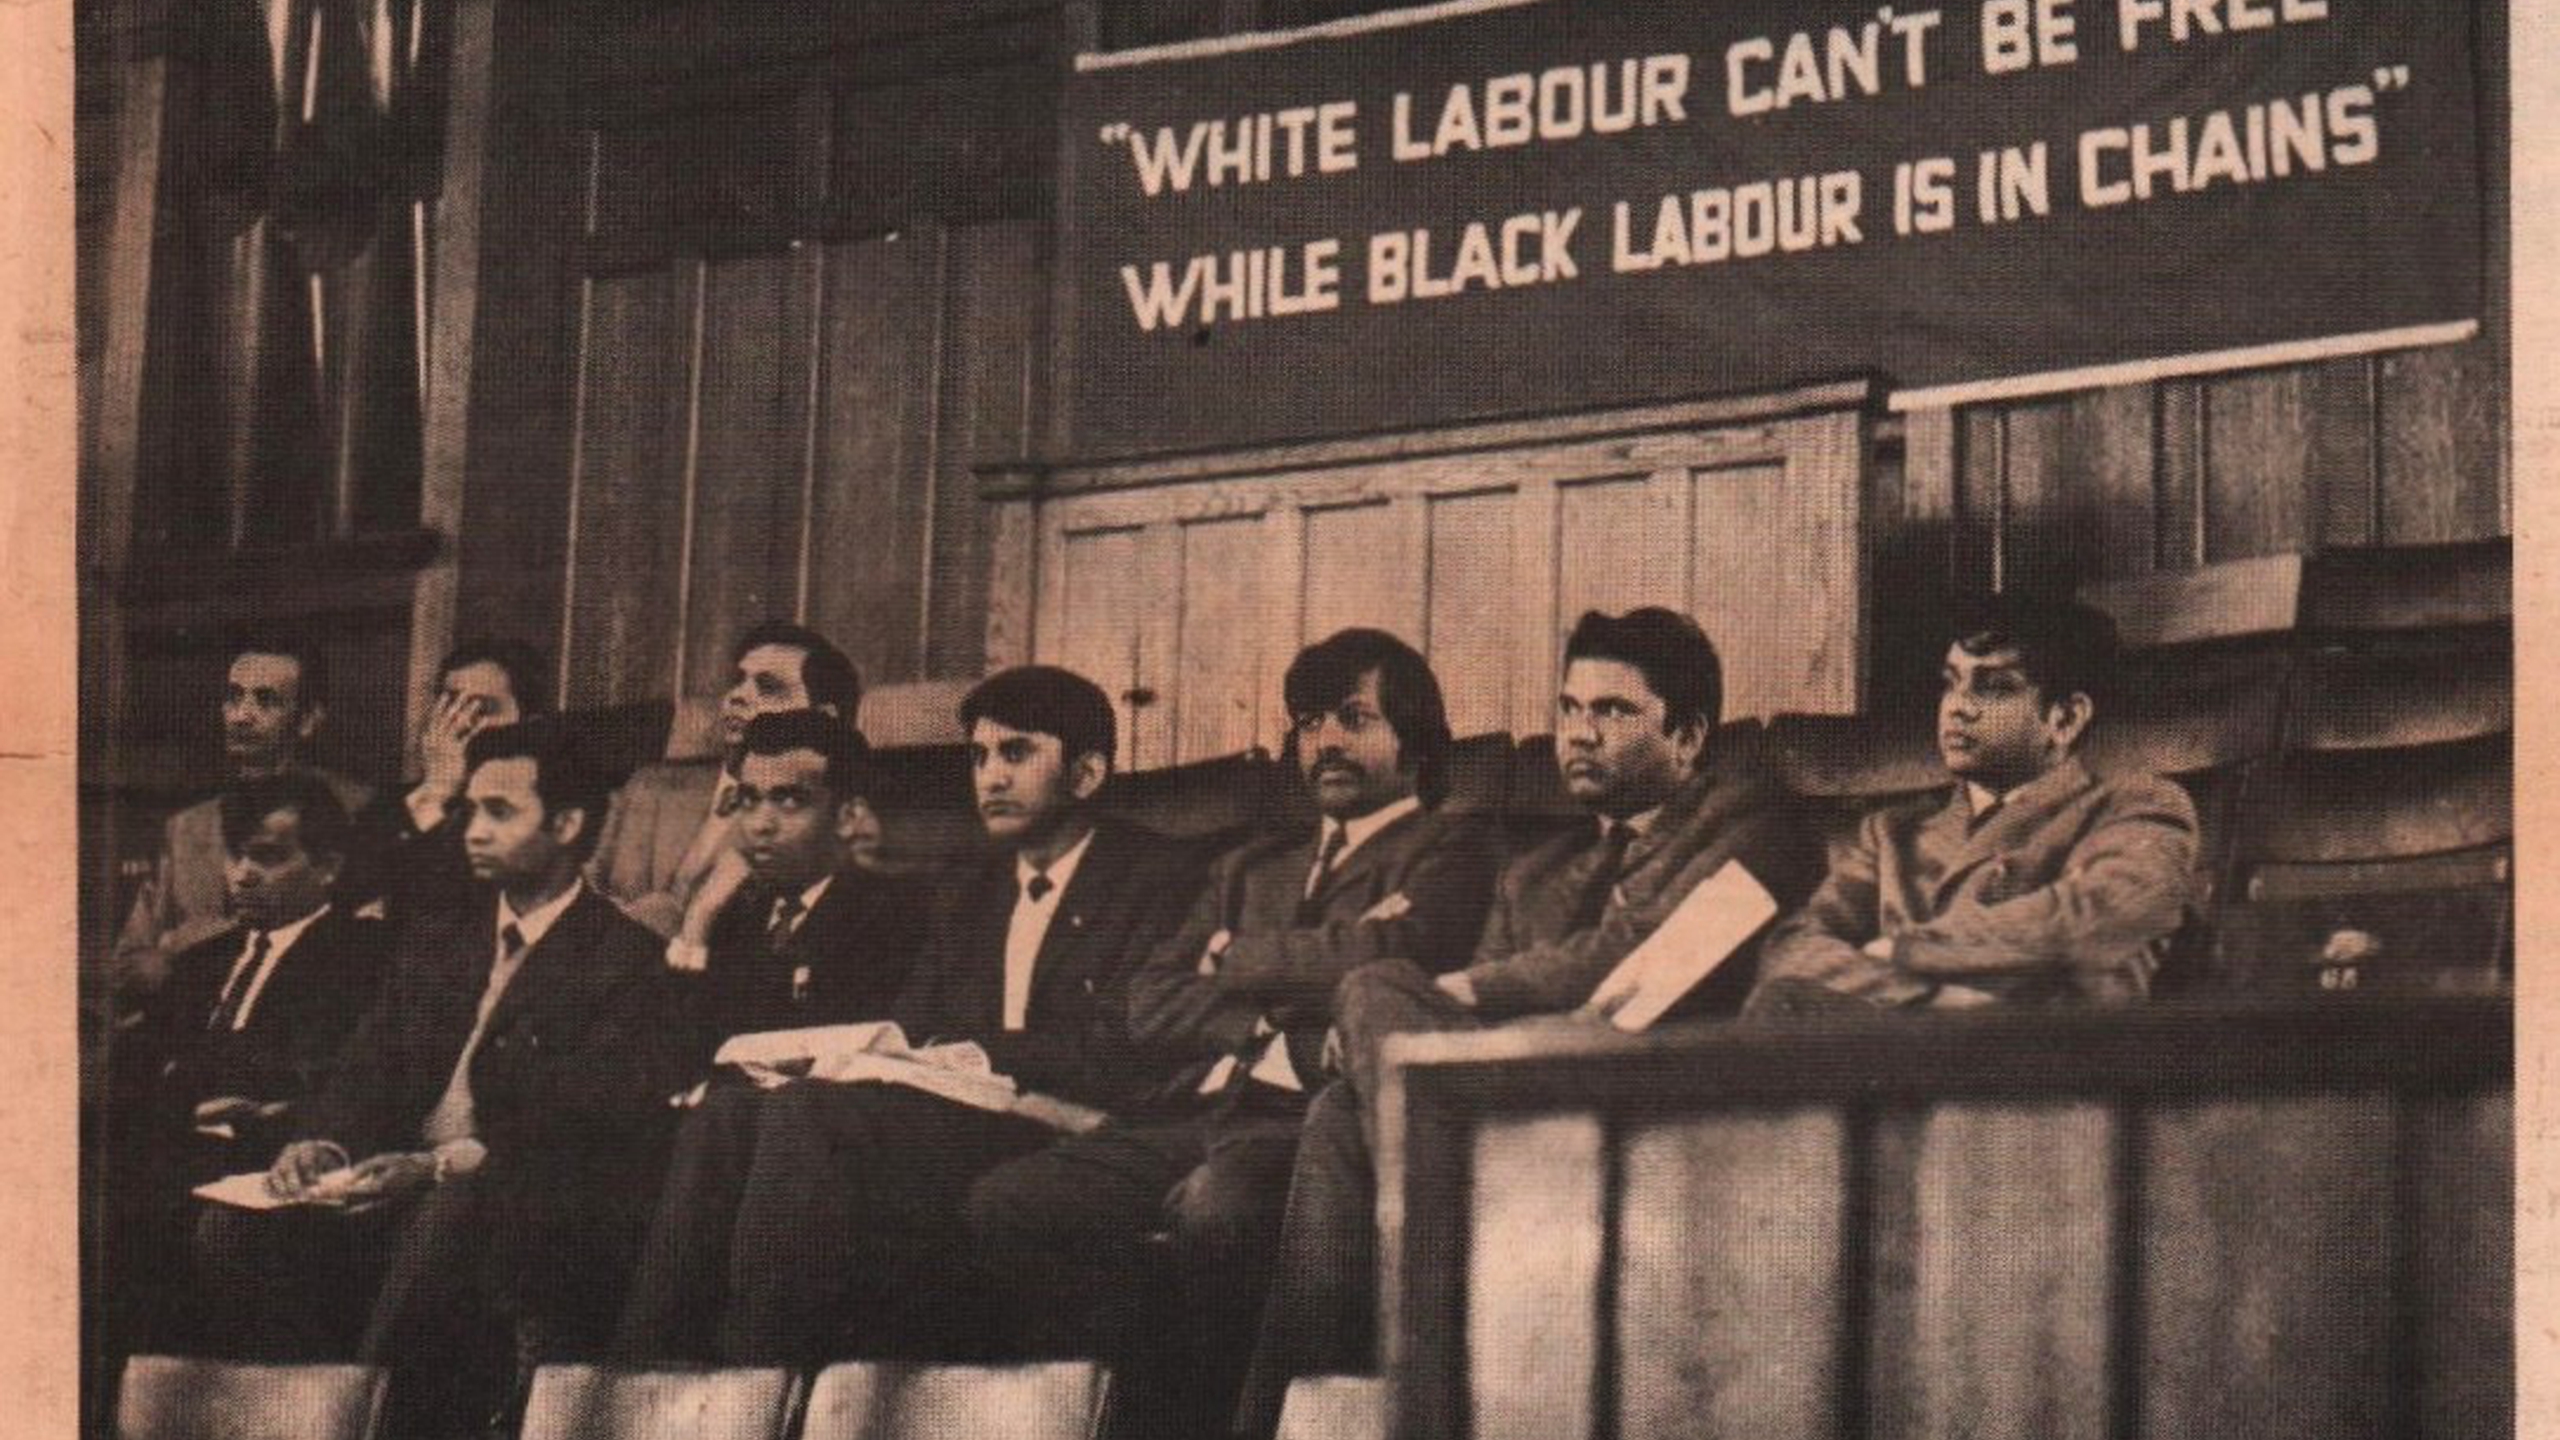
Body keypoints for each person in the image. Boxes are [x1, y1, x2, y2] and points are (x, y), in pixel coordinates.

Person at [1234, 607, 1824, 1436]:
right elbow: (1464, 1037)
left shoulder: (1757, 827)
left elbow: (1637, 957)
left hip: (1647, 1096)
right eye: (1569, 710)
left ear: (1688, 736)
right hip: (1511, 1113)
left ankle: (1431, 1274)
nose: (1580, 736)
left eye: (1613, 712)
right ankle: (1310, 1411)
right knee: (1338, 1106)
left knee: (1372, 991)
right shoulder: (1537, 870)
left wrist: (1452, 992)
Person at [966, 630, 1499, 1436]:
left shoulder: (1452, 847)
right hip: (1198, 1112)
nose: (1323, 742)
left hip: (1314, 1130)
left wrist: (1233, 956)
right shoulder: (1251, 867)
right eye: (1309, 722)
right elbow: (1149, 997)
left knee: (1222, 1211)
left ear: (1413, 737)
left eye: (1353, 719)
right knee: (1010, 1201)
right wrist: (1260, 1032)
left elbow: (1388, 957)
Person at [612, 666, 1201, 1364]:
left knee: (806, 1115)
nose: (990, 777)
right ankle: (636, 1376)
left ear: (1086, 773)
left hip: (1075, 1128)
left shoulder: (1161, 876)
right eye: (979, 757)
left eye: (1016, 754)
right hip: (973, 1112)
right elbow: (913, 1025)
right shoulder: (968, 885)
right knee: (733, 1112)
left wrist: (978, 1054)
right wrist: (873, 1055)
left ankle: (758, 1379)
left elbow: (1128, 1040)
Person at [191, 719, 683, 1435]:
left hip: (519, 1199)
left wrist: (434, 1166)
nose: (473, 831)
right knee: (230, 1228)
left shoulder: (625, 961)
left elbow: (581, 1123)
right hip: (394, 1182)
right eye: (470, 810)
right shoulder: (438, 944)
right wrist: (321, 1145)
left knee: (449, 1215)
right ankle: (300, 1417)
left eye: (499, 812)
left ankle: (360, 1418)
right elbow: (364, 1069)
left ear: (570, 823)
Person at [1747, 595, 2199, 1012]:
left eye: (1995, 687)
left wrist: (1907, 949)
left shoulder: (2137, 806)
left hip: (2047, 1071)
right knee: (1780, 1003)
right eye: (1951, 683)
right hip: (1904, 1059)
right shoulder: (1890, 834)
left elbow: (2098, 912)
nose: (1957, 708)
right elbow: (1794, 946)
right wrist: (1930, 998)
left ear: (2064, 718)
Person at [105, 775, 388, 1354]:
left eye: (267, 858)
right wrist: (186, 1101)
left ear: (328, 867)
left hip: (258, 1161)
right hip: (169, 1147)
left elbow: (314, 1082)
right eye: (236, 855)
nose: (241, 875)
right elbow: (133, 1070)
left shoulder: (360, 960)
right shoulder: (202, 961)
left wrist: (203, 1095)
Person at [662, 707, 927, 1066]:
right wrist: (698, 920)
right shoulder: (734, 908)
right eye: (749, 800)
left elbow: (820, 1051)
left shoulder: (892, 915)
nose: (760, 825)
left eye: (788, 801)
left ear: (848, 817)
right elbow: (667, 1045)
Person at [112, 636, 371, 998]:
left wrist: (184, 945)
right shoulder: (187, 828)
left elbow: (357, 949)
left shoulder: (358, 813)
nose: (241, 715)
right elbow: (129, 962)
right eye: (234, 697)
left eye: (266, 701)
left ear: (308, 720)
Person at [590, 621, 868, 937]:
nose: (737, 696)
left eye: (768, 687)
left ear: (823, 717)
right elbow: (570, 890)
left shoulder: (830, 824)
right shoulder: (649, 786)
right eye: (738, 681)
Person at [344, 637, 550, 928]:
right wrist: (436, 792)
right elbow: (348, 896)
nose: (461, 723)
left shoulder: (543, 816)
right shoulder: (397, 805)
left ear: (529, 726)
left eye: (482, 710)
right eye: (450, 706)